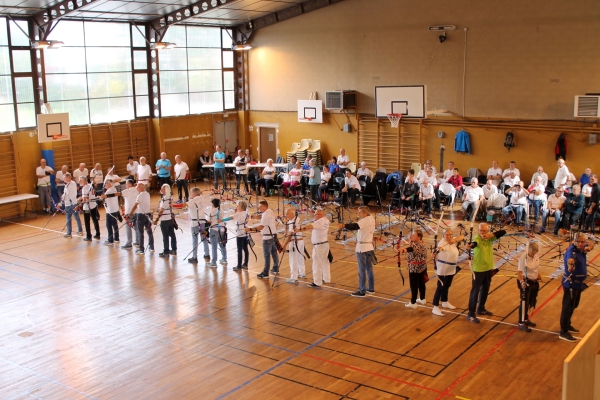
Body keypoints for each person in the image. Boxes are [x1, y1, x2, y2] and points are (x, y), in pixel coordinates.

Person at [466, 223, 506, 323]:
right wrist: (471, 245)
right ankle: (471, 313)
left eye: (485, 231)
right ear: (478, 231)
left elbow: (503, 232)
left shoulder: (489, 238)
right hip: (478, 270)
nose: (483, 233)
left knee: (485, 289)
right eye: (481, 231)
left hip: (488, 268)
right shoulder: (477, 238)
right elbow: (474, 244)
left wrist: (490, 235)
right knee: (475, 291)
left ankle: (481, 308)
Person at [559, 233, 595, 342]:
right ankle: (563, 332)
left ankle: (567, 324)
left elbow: (591, 244)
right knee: (567, 307)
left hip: (578, 284)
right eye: (578, 242)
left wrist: (589, 247)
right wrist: (570, 265)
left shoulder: (583, 247)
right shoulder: (572, 251)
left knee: (574, 305)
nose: (580, 244)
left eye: (583, 242)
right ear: (574, 241)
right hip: (571, 284)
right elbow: (570, 259)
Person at [338, 206, 375, 297]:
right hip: (369, 246)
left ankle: (362, 290)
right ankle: (371, 288)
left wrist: (344, 225)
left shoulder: (364, 220)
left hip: (362, 247)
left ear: (365, 213)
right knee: (369, 269)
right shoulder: (371, 219)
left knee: (361, 270)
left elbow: (355, 226)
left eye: (360, 212)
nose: (358, 214)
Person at [432, 229, 464, 316]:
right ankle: (435, 307)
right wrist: (435, 252)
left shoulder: (452, 240)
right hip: (443, 269)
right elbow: (438, 249)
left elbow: (462, 236)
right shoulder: (442, 243)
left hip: (451, 268)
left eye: (450, 234)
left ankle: (444, 301)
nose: (449, 236)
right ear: (443, 235)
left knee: (447, 285)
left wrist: (454, 239)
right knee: (440, 287)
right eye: (447, 235)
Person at [297, 208, 330, 288]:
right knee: (325, 262)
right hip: (325, 244)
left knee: (316, 264)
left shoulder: (319, 222)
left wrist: (299, 230)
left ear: (321, 215)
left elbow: (310, 226)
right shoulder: (326, 220)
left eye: (316, 214)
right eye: (314, 214)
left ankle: (317, 282)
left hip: (319, 246)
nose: (314, 216)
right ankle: (326, 279)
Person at [247, 200, 279, 278]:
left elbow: (261, 227)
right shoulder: (270, 211)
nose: (259, 208)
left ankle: (265, 273)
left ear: (265, 206)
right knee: (274, 253)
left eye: (260, 207)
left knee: (266, 255)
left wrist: (250, 229)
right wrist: (254, 217)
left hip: (267, 237)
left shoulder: (266, 214)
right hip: (274, 236)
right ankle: (275, 268)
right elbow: (262, 216)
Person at [516, 241, 541, 332]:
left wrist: (538, 274)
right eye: (532, 252)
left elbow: (536, 267)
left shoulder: (535, 256)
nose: (533, 254)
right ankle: (521, 322)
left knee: (531, 300)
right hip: (526, 282)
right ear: (528, 250)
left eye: (535, 252)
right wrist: (522, 282)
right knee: (524, 302)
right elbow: (519, 272)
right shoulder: (524, 257)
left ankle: (526, 318)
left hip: (534, 281)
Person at [399, 229, 428, 309]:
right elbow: (412, 248)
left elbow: (410, 249)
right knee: (421, 283)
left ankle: (413, 302)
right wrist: (410, 240)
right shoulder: (422, 243)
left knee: (414, 285)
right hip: (422, 267)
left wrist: (402, 250)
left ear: (419, 237)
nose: (412, 236)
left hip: (415, 269)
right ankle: (422, 298)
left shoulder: (416, 245)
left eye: (414, 235)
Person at [129, 182, 154, 255]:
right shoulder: (147, 194)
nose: (137, 188)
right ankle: (151, 247)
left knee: (140, 232)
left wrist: (130, 214)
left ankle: (141, 249)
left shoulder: (140, 196)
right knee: (149, 231)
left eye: (138, 187)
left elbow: (135, 206)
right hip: (148, 215)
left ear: (142, 188)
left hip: (141, 215)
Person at [282, 208, 306, 283]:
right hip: (300, 241)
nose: (286, 215)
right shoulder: (296, 219)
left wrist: (284, 245)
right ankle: (302, 273)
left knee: (293, 260)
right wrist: (286, 224)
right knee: (300, 258)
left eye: (287, 214)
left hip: (294, 242)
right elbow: (287, 232)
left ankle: (293, 277)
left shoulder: (292, 222)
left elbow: (289, 235)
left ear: (292, 214)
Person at [187, 187, 210, 264]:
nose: (190, 195)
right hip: (202, 222)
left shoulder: (192, 200)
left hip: (194, 224)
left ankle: (194, 257)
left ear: (194, 193)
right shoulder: (202, 199)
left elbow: (183, 205)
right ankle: (207, 254)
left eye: (191, 193)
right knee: (204, 238)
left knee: (194, 240)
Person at [154, 184, 177, 258]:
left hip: (164, 220)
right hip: (169, 218)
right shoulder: (169, 197)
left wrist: (156, 219)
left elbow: (162, 210)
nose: (161, 189)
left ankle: (166, 252)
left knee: (165, 236)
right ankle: (174, 250)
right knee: (172, 235)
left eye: (162, 188)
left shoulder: (165, 198)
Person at [57, 173, 83, 238]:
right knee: (76, 217)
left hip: (70, 204)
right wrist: (61, 202)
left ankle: (69, 233)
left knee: (69, 218)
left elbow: (67, 195)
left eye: (64, 178)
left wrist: (60, 203)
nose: (63, 179)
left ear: (68, 178)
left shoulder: (71, 184)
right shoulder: (69, 184)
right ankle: (80, 231)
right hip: (71, 203)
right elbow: (65, 194)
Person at [207, 198, 227, 267]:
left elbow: (208, 221)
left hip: (214, 229)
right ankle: (224, 258)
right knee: (222, 244)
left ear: (213, 204)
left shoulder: (212, 212)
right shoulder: (221, 210)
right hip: (222, 229)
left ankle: (213, 262)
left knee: (214, 247)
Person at [79, 176, 100, 241]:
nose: (79, 182)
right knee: (95, 220)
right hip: (94, 205)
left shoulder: (84, 188)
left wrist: (80, 199)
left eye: (81, 181)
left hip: (87, 207)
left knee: (87, 222)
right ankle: (98, 234)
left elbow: (85, 199)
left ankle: (88, 236)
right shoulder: (90, 186)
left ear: (85, 181)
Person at [101, 179, 121, 245]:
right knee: (115, 225)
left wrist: (102, 197)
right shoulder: (113, 189)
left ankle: (110, 240)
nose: (105, 185)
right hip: (114, 210)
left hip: (110, 211)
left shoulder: (109, 191)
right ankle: (116, 239)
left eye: (106, 183)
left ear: (109, 184)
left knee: (108, 225)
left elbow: (104, 198)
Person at [120, 179, 139, 250]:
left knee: (128, 228)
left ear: (130, 184)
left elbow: (119, 194)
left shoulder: (128, 191)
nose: (126, 185)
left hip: (129, 213)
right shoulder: (136, 190)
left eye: (126, 184)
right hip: (136, 211)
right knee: (136, 227)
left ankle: (129, 243)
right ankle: (137, 241)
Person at [231, 200, 249, 271]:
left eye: (238, 206)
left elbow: (231, 218)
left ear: (241, 207)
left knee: (239, 250)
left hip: (239, 234)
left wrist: (221, 220)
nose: (237, 207)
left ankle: (239, 266)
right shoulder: (246, 213)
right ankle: (245, 264)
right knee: (245, 249)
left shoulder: (239, 214)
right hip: (245, 233)